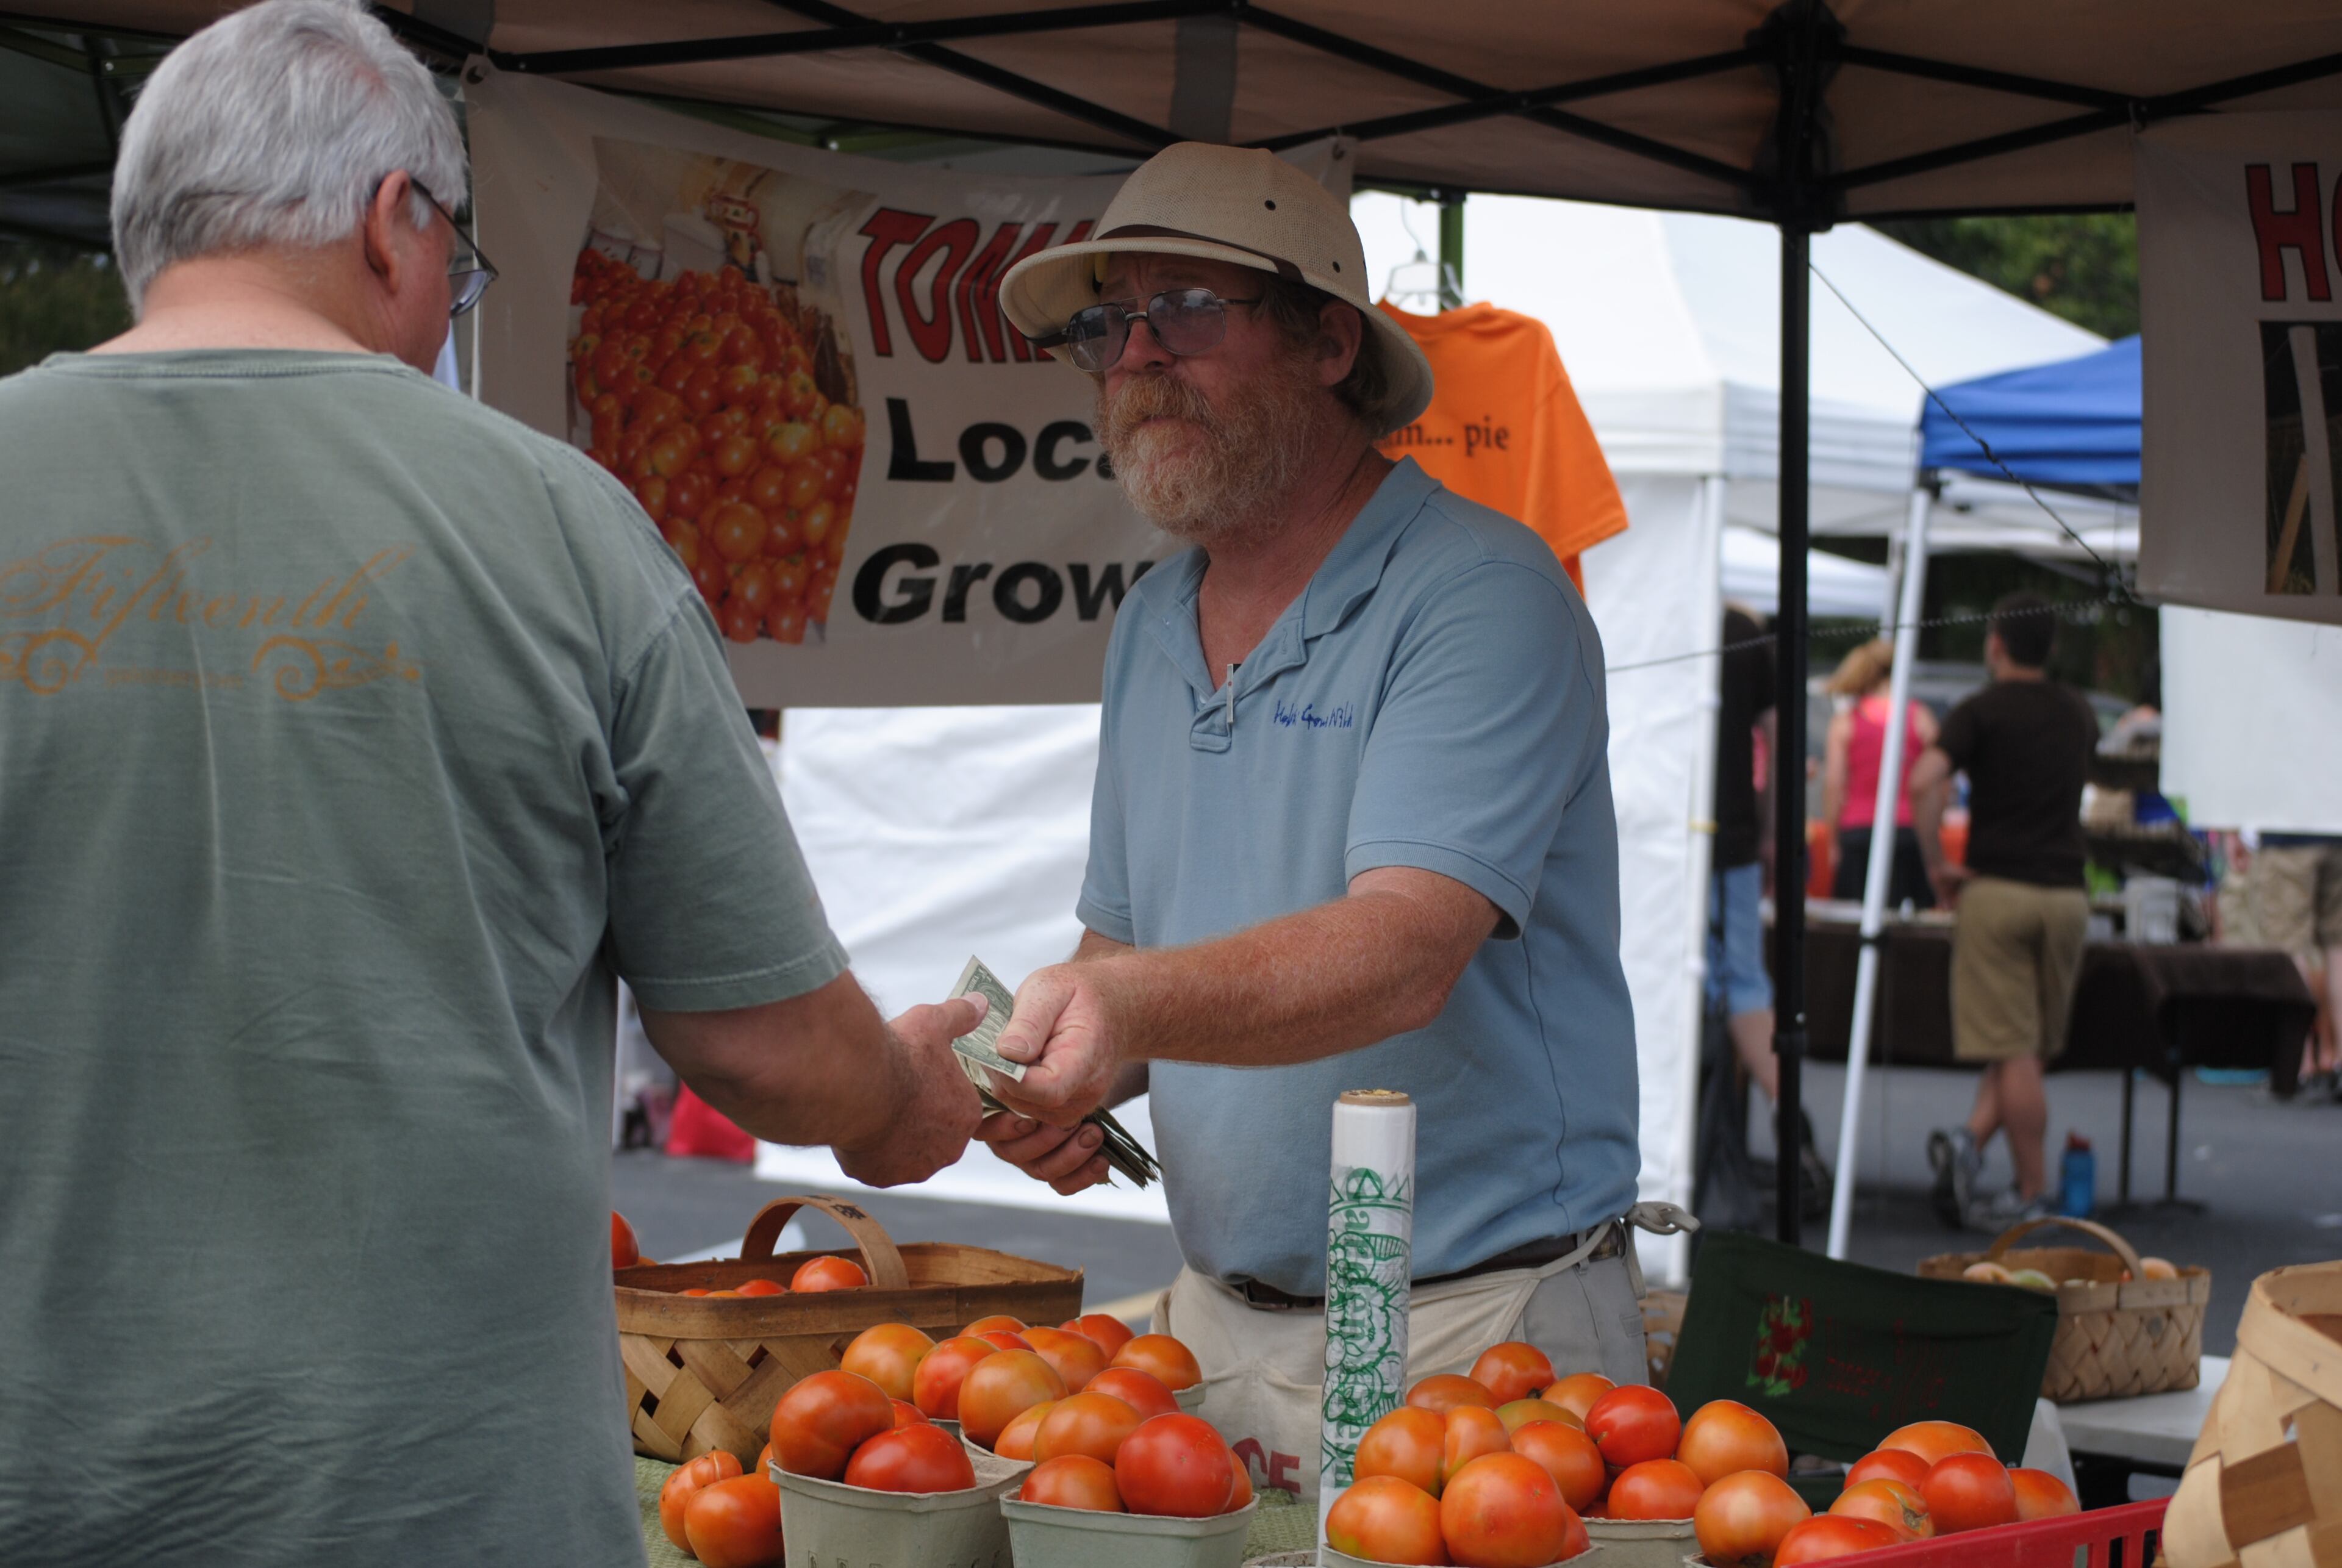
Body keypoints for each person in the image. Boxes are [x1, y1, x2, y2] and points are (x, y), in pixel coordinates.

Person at [0, 4, 983, 1561]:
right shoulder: (558, 525)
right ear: (397, 222)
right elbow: (768, 1044)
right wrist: (899, 1100)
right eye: (460, 262)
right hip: (442, 1498)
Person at [988, 142, 1654, 1506]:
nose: (1135, 357)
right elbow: (1122, 954)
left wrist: (1123, 1013)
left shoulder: (1481, 591)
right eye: (1109, 323)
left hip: (1480, 1337)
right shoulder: (1152, 622)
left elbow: (1408, 947)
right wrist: (1050, 1074)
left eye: (1185, 311)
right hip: (1217, 1333)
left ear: (1327, 342)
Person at [1910, 593, 2098, 1228]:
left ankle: (2033, 1191)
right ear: (2049, 648)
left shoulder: (1979, 711)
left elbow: (1923, 780)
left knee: (2013, 1047)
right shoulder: (2077, 712)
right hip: (2068, 895)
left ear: (1995, 643)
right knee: (2030, 1045)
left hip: (1998, 891)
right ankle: (1970, 1141)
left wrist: (1936, 861)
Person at [1822, 638, 1938, 911]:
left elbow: (1834, 785)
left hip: (1858, 833)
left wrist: (1833, 840)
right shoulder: (1921, 717)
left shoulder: (1846, 721)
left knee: (1853, 927)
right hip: (1910, 833)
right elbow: (1938, 783)